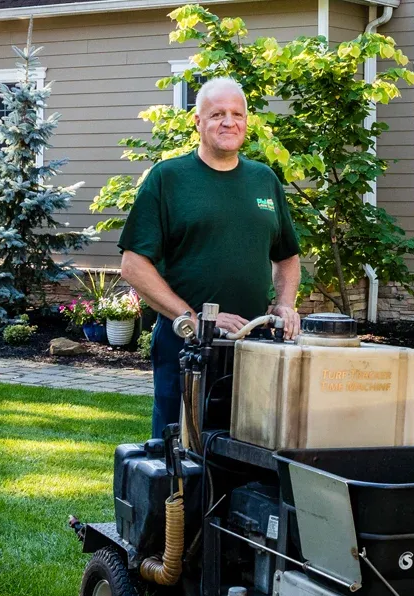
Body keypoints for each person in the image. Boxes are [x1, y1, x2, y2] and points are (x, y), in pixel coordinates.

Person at [118, 77, 302, 437]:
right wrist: (195, 318)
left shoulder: (264, 180)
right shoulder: (168, 178)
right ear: (198, 122)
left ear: (247, 122)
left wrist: (285, 304)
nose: (229, 122)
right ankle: (177, 496)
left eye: (237, 114)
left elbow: (287, 256)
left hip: (256, 346)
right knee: (180, 452)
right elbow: (133, 265)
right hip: (186, 345)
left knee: (252, 449)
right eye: (217, 113)